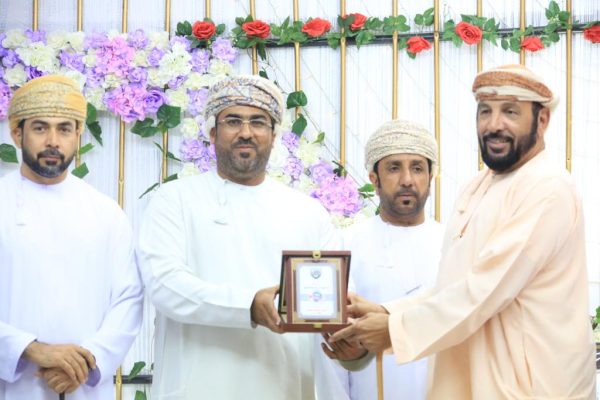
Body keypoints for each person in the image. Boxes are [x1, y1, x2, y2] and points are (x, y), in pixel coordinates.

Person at [328, 64, 596, 399]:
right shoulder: (478, 186)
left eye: (510, 111)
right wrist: (387, 312)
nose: (494, 125)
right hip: (477, 379)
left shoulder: (547, 187)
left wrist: (394, 329)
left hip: (532, 386)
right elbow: (454, 286)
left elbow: (485, 289)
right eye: (485, 111)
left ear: (542, 120)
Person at [137, 75, 338, 399]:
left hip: (282, 386)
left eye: (258, 122)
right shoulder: (174, 199)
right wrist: (248, 306)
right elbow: (165, 285)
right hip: (195, 388)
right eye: (233, 121)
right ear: (212, 133)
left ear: (274, 135)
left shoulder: (308, 212)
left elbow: (329, 303)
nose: (246, 132)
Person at [0, 75, 144, 399]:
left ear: (78, 135)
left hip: (82, 385)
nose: (53, 141)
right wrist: (28, 349)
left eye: (65, 129)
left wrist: (88, 360)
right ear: (17, 133)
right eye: (40, 128)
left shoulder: (105, 212)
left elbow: (128, 299)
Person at [315, 119, 444, 400]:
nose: (407, 179)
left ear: (431, 177)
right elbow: (329, 348)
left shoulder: (453, 244)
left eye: (417, 168)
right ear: (374, 179)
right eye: (394, 168)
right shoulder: (344, 244)